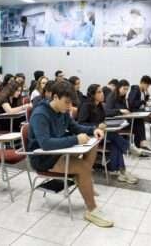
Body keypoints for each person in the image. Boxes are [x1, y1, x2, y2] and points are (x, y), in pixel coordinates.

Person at [28, 81, 113, 227]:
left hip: (59, 151)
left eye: (70, 103)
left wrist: (93, 130)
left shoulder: (63, 111)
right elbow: (46, 144)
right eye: (66, 103)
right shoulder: (40, 114)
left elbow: (75, 127)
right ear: (55, 97)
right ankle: (92, 209)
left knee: (93, 144)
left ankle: (85, 181)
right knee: (82, 168)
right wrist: (75, 139)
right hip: (44, 158)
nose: (69, 107)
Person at [78, 84, 146, 183]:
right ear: (92, 95)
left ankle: (121, 172)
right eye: (99, 92)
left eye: (101, 91)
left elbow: (106, 115)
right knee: (114, 136)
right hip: (90, 135)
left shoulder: (100, 105)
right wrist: (96, 126)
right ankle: (129, 148)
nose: (102, 94)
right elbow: (81, 123)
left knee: (115, 144)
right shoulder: (86, 105)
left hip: (100, 134)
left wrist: (103, 124)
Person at [105, 79, 148, 151]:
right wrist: (120, 110)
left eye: (127, 89)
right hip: (116, 121)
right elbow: (107, 112)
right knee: (137, 124)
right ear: (119, 87)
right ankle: (139, 146)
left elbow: (126, 109)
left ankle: (141, 144)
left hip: (123, 120)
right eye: (124, 89)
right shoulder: (111, 96)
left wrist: (127, 109)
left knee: (139, 121)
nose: (125, 91)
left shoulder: (122, 97)